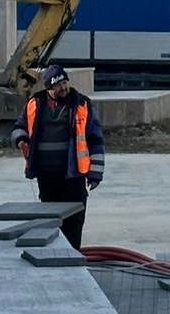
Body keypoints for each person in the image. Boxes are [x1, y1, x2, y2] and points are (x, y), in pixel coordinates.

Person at [12, 65, 105, 249]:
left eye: (64, 82)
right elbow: (18, 127)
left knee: (74, 220)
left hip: (74, 175)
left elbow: (96, 140)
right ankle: (54, 257)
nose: (63, 87)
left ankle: (72, 256)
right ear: (48, 88)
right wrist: (21, 140)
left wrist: (95, 174)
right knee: (51, 221)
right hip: (47, 176)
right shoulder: (34, 104)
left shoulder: (81, 104)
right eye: (57, 85)